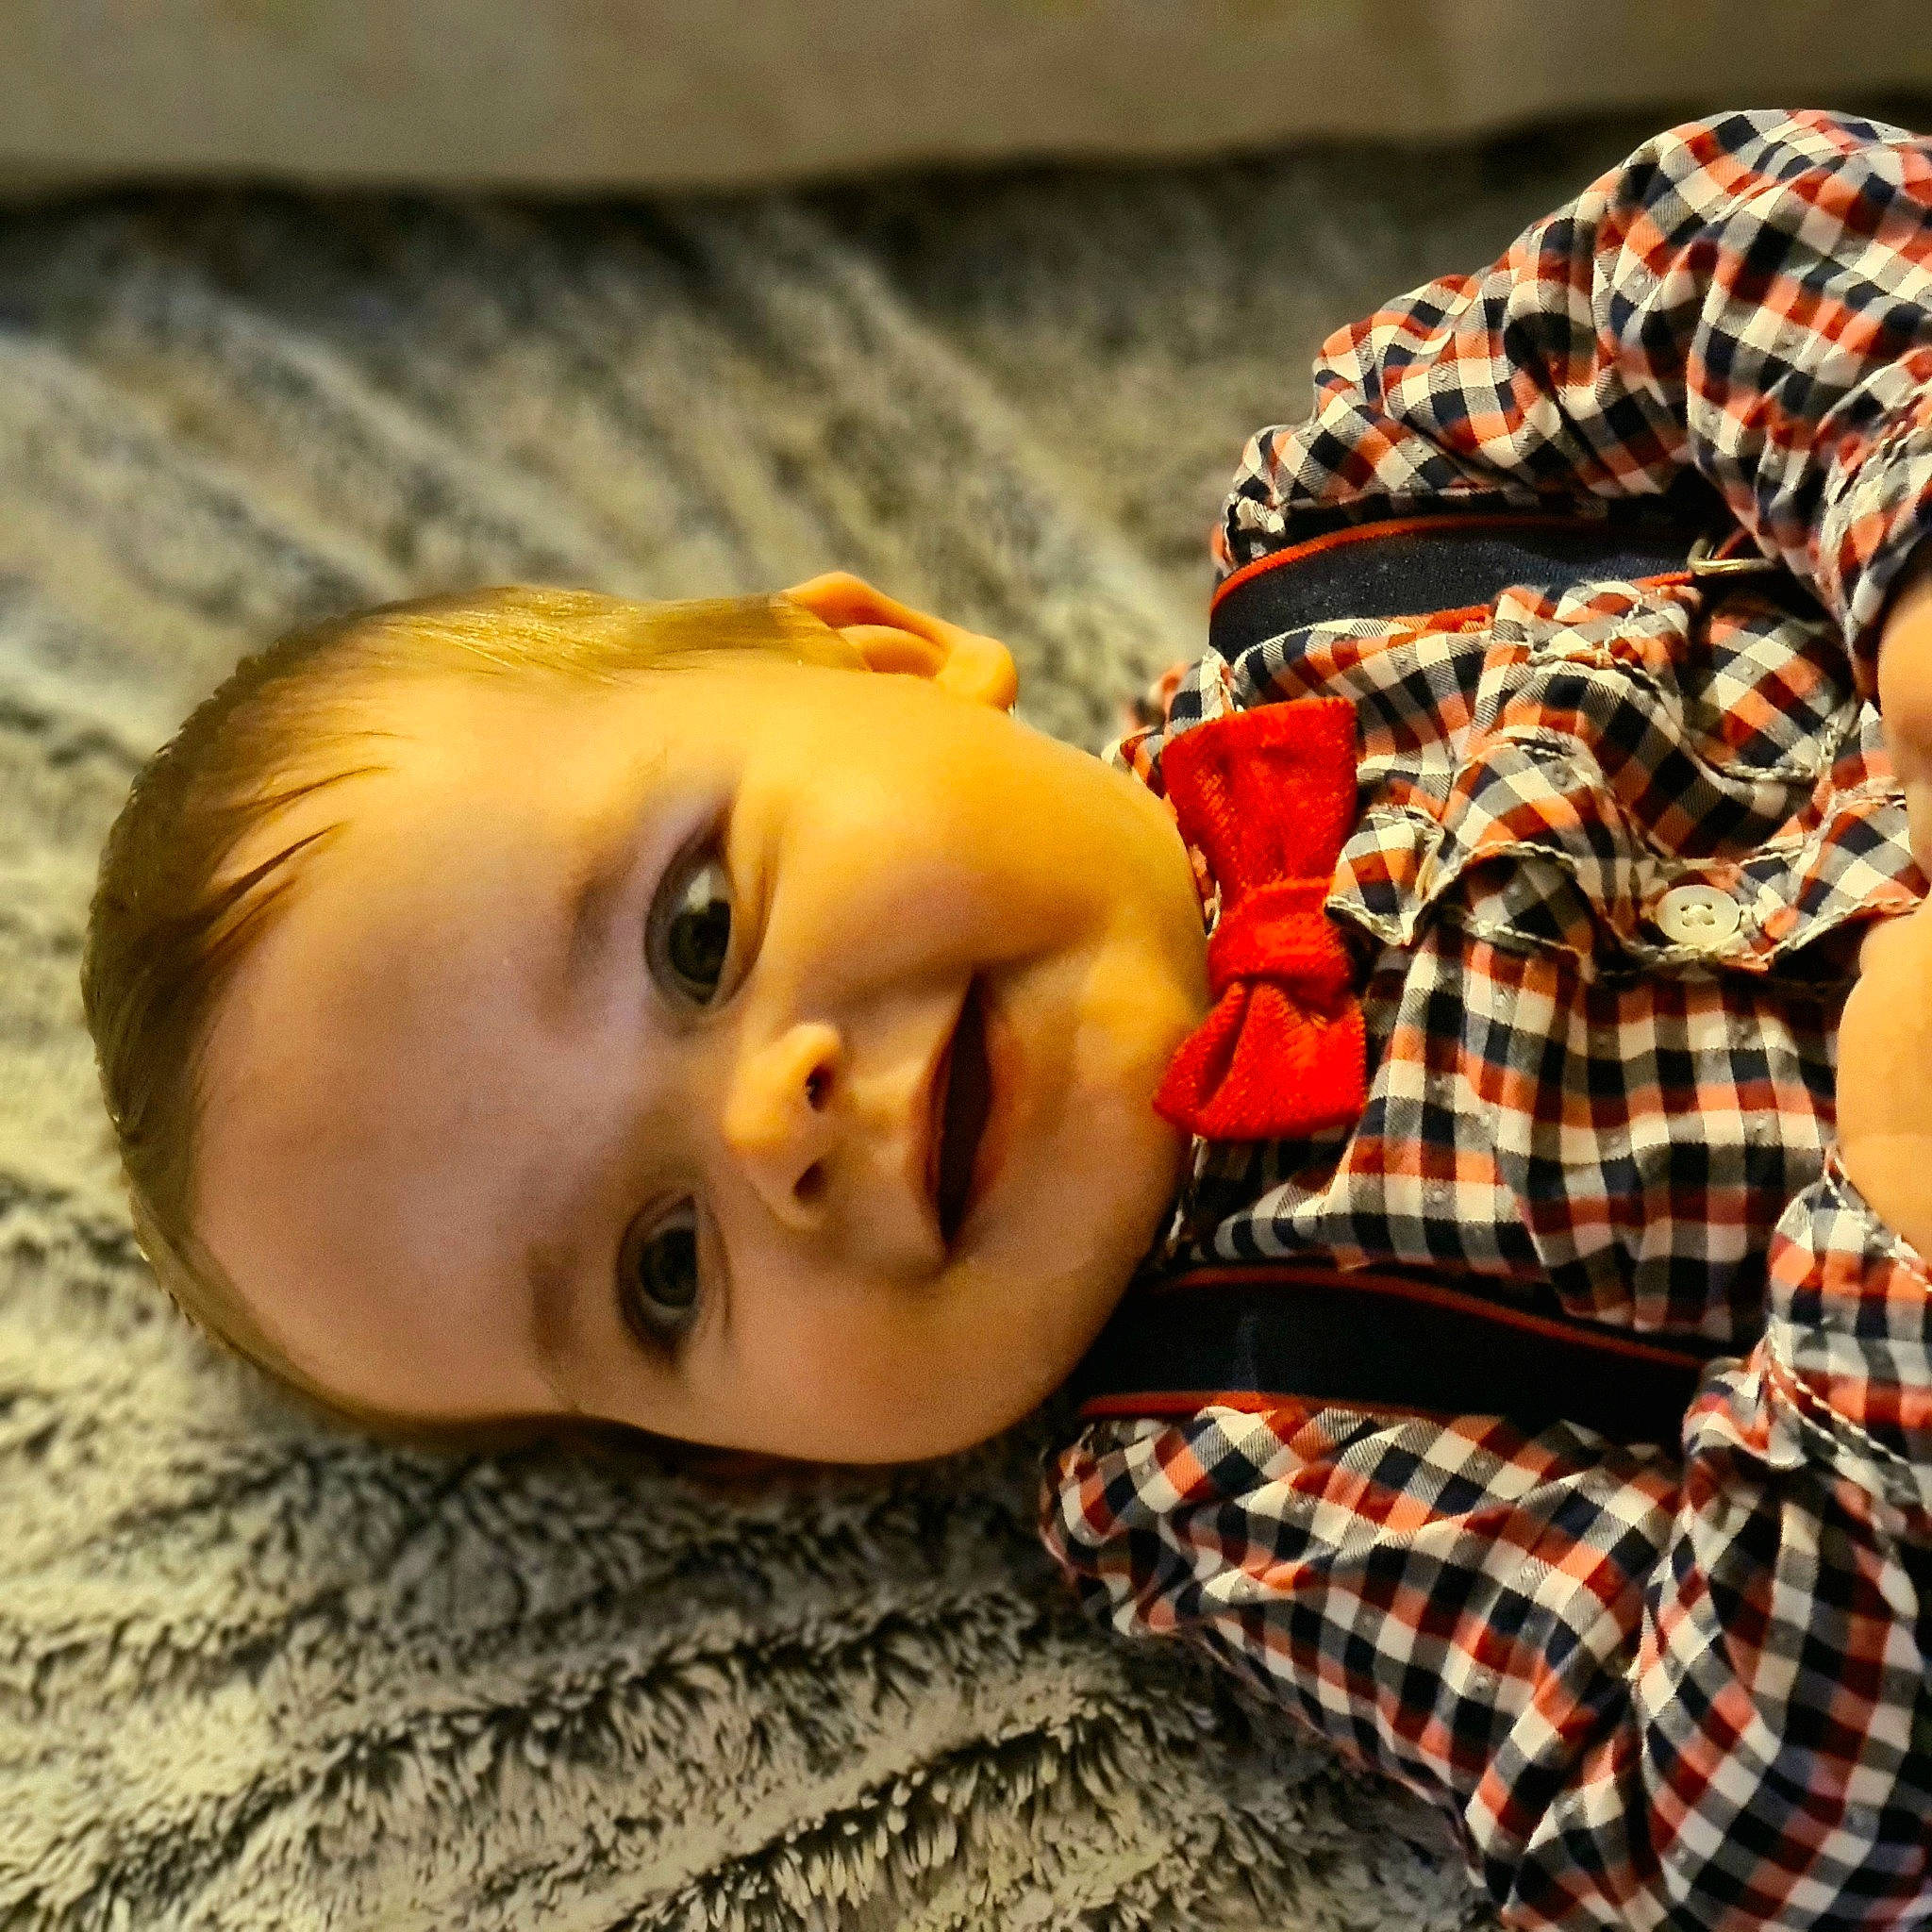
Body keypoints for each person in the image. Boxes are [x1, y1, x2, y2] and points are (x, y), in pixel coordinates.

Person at [80, 109, 1932, 1928]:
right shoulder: (1245, 1468)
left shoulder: (1355, 527)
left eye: (699, 929)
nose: (766, 1126)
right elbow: (1695, 1827)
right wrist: (1891, 1250)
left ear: (879, 657)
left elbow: (1738, 234)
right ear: (759, 1455)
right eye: (660, 1271)